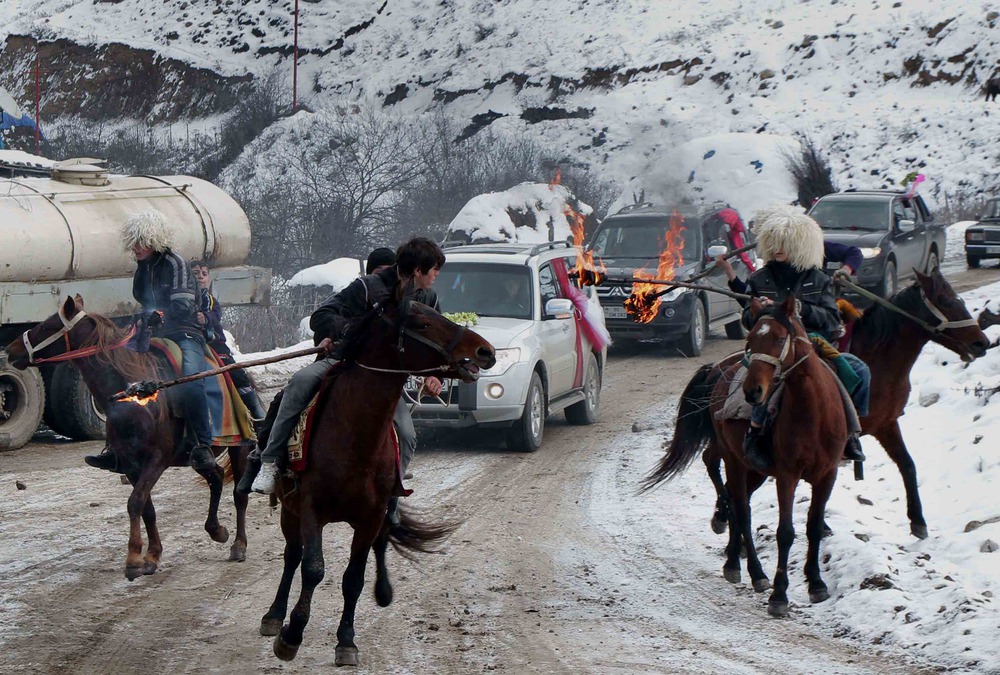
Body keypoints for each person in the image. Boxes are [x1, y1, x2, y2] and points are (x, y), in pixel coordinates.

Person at [243, 239, 446, 511]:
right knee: (299, 383)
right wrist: (345, 331)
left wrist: (436, 375)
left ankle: (391, 495)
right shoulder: (366, 287)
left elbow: (436, 341)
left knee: (407, 434)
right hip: (343, 360)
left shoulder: (428, 299)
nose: (437, 274)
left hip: (384, 377)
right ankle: (269, 462)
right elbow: (323, 315)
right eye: (435, 268)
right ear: (418, 269)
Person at [721, 205, 869, 472]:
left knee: (859, 370)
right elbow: (746, 319)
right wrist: (761, 312)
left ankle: (850, 433)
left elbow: (831, 319)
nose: (779, 247)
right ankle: (754, 433)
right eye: (775, 241)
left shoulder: (818, 279)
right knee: (755, 378)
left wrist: (800, 308)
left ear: (799, 244)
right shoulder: (759, 278)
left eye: (785, 242)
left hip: (812, 345)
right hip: (770, 347)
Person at [85, 209, 216, 472]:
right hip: (152, 334)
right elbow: (144, 303)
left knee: (191, 381)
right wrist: (142, 322)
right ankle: (116, 448)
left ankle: (203, 444)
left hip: (184, 333)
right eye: (132, 241)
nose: (135, 248)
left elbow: (183, 306)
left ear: (154, 239)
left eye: (140, 241)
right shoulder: (143, 269)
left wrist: (159, 316)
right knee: (120, 379)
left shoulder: (175, 263)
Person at [190, 260, 268, 422]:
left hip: (214, 345)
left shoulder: (210, 301)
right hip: (191, 343)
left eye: (204, 274)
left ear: (209, 279)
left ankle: (258, 415)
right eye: (195, 273)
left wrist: (206, 318)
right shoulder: (182, 299)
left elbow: (216, 315)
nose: (200, 277)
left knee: (236, 373)